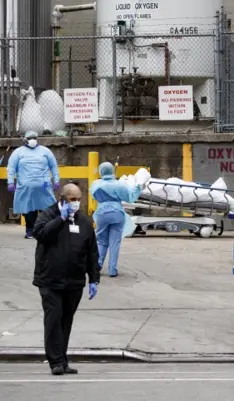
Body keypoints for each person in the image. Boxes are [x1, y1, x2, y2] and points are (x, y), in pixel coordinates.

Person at [32, 183, 100, 376]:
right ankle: (55, 361)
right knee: (53, 319)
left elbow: (91, 251)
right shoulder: (48, 215)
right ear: (62, 199)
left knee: (66, 320)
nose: (76, 203)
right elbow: (40, 234)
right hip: (50, 279)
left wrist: (94, 278)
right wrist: (60, 219)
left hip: (74, 281)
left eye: (79, 199)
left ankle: (62, 359)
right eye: (72, 199)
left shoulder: (84, 222)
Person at [89, 161, 143, 277]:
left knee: (101, 241)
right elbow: (131, 197)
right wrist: (138, 187)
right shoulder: (120, 184)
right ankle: (112, 270)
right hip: (117, 213)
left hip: (102, 213)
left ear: (101, 171)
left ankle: (97, 265)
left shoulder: (95, 184)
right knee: (115, 242)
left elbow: (93, 195)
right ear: (112, 171)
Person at [7, 131, 60, 239]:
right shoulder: (18, 152)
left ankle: (47, 230)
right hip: (25, 187)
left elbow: (54, 166)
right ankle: (30, 230)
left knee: (47, 209)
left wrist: (57, 180)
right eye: (30, 137)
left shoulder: (46, 151)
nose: (32, 139)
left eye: (34, 137)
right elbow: (11, 168)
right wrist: (10, 182)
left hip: (44, 186)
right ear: (25, 139)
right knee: (28, 209)